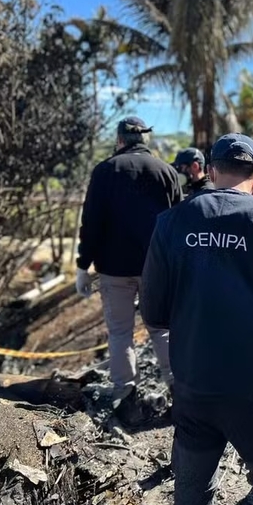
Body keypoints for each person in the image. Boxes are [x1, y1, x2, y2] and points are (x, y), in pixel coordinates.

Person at [140, 133, 253, 505]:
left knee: (191, 496)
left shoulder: (172, 223)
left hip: (194, 388)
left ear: (212, 170)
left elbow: (153, 312)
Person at [75, 116, 182, 412]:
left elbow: (91, 224)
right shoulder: (167, 172)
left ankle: (125, 392)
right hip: (156, 267)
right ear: (144, 141)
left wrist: (83, 266)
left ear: (120, 140)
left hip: (114, 268)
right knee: (161, 329)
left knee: (120, 332)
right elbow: (177, 222)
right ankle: (178, 388)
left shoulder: (105, 171)